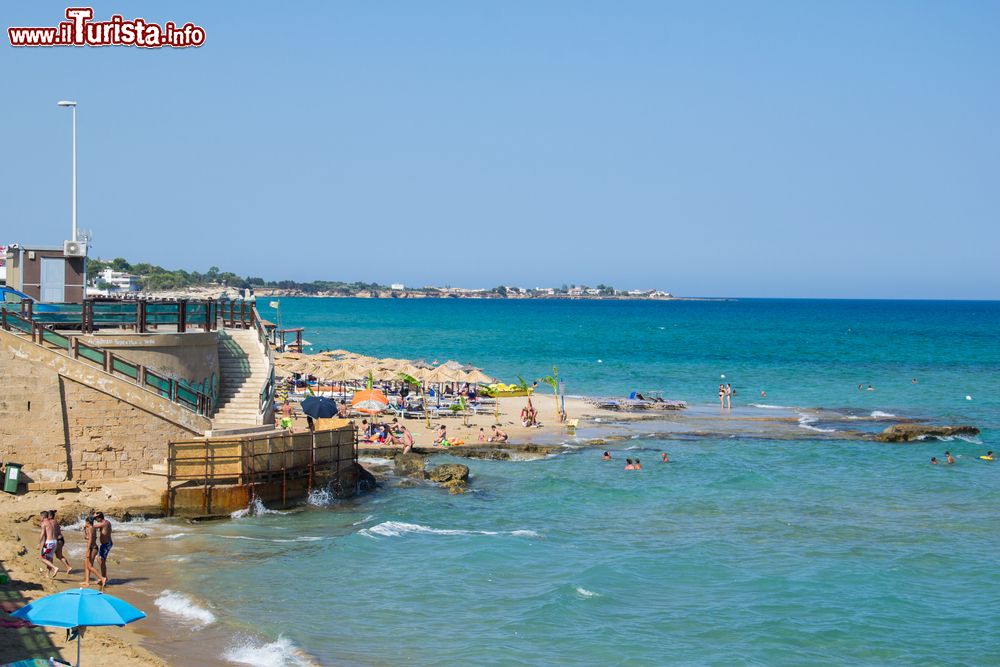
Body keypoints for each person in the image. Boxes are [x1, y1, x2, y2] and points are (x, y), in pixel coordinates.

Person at [82, 515, 107, 590]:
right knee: (86, 564)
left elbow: (90, 540)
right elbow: (88, 537)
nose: (85, 524)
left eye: (85, 522)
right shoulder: (92, 528)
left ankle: (102, 578)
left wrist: (87, 550)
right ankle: (87, 581)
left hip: (92, 548)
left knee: (89, 566)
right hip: (94, 548)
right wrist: (84, 530)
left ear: (88, 522)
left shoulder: (90, 529)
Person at [37, 511, 60, 579]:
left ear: (43, 517)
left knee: (42, 559)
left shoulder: (44, 523)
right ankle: (47, 575)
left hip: (49, 543)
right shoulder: (51, 522)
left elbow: (42, 534)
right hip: (54, 542)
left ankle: (54, 568)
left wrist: (39, 543)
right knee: (49, 559)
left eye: (40, 516)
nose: (40, 518)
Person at [50, 510, 72, 575]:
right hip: (61, 539)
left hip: (56, 540)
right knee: (59, 555)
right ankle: (68, 567)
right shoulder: (55, 522)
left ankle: (52, 568)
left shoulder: (51, 522)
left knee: (50, 555)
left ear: (50, 516)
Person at [94, 512, 113, 584]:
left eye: (96, 518)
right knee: (99, 560)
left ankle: (104, 578)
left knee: (101, 561)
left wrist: (87, 524)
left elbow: (93, 526)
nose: (95, 520)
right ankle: (104, 576)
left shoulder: (104, 523)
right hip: (105, 544)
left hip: (106, 544)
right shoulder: (107, 522)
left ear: (99, 517)